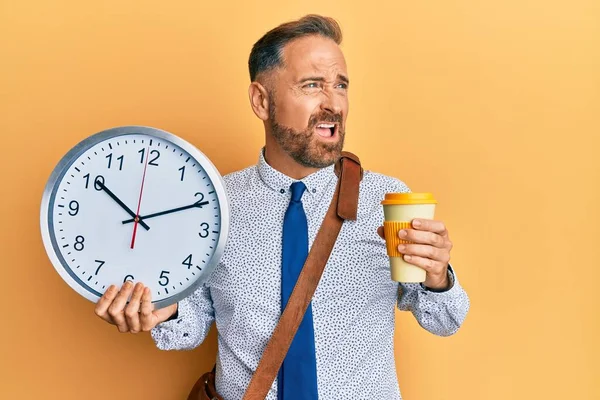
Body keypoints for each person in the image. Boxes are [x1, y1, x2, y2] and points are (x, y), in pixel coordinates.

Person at [94, 14, 470, 399]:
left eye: (340, 86)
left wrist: (437, 276)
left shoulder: (387, 200)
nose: (332, 103)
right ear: (261, 100)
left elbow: (444, 320)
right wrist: (162, 312)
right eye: (312, 85)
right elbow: (189, 327)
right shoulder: (211, 204)